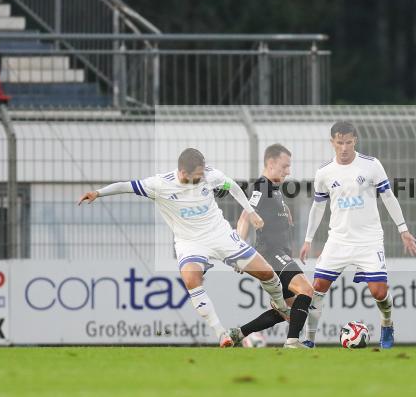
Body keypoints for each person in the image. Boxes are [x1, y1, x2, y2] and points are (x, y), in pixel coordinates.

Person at [77, 148, 290, 347]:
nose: (201, 177)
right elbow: (126, 186)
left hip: (220, 234)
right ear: (182, 171)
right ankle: (221, 334)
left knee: (267, 273)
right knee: (191, 280)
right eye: (197, 174)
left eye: (202, 172)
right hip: (190, 242)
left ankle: (280, 307)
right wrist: (98, 193)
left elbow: (232, 186)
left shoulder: (210, 175)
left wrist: (250, 212)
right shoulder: (160, 184)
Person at [299, 121, 416, 349]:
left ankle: (387, 324)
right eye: (339, 143)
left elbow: (388, 197)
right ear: (332, 142)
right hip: (338, 240)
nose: (344, 148)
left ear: (355, 140)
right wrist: (308, 239)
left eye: (348, 142)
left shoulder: (371, 165)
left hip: (369, 240)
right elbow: (318, 207)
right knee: (318, 288)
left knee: (379, 291)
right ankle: (310, 339)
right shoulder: (324, 173)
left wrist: (403, 229)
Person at [226, 144, 314, 348]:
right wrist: (239, 251)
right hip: (272, 254)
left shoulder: (274, 189)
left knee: (287, 311)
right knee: (306, 291)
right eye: (285, 166)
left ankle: (239, 333)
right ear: (271, 163)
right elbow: (245, 217)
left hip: (279, 254)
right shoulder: (262, 186)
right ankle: (292, 343)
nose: (288, 171)